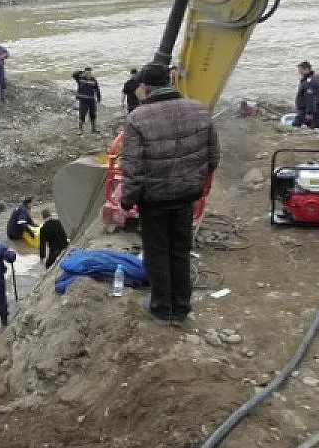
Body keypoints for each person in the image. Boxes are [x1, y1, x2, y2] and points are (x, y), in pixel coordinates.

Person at [120, 62, 220, 326]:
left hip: (154, 200)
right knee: (180, 250)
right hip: (187, 195)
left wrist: (127, 200)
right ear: (170, 80)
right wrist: (193, 179)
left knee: (157, 252)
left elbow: (133, 166)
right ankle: (182, 306)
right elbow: (213, 157)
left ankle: (162, 308)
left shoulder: (137, 118)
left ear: (145, 87)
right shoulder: (199, 110)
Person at [72, 66, 102, 135]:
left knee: (93, 115)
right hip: (83, 100)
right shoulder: (80, 79)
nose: (88, 73)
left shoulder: (93, 80)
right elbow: (74, 74)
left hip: (91, 100)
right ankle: (80, 130)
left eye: (89, 72)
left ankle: (94, 129)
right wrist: (82, 72)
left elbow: (97, 89)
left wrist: (99, 98)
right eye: (87, 72)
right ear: (84, 72)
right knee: (82, 115)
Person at [294, 61, 319, 128]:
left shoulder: (310, 81)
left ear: (307, 69)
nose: (299, 72)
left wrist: (309, 113)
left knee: (295, 125)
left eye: (300, 70)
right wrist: (297, 105)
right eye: (299, 70)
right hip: (303, 109)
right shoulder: (305, 80)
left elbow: (310, 98)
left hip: (305, 110)